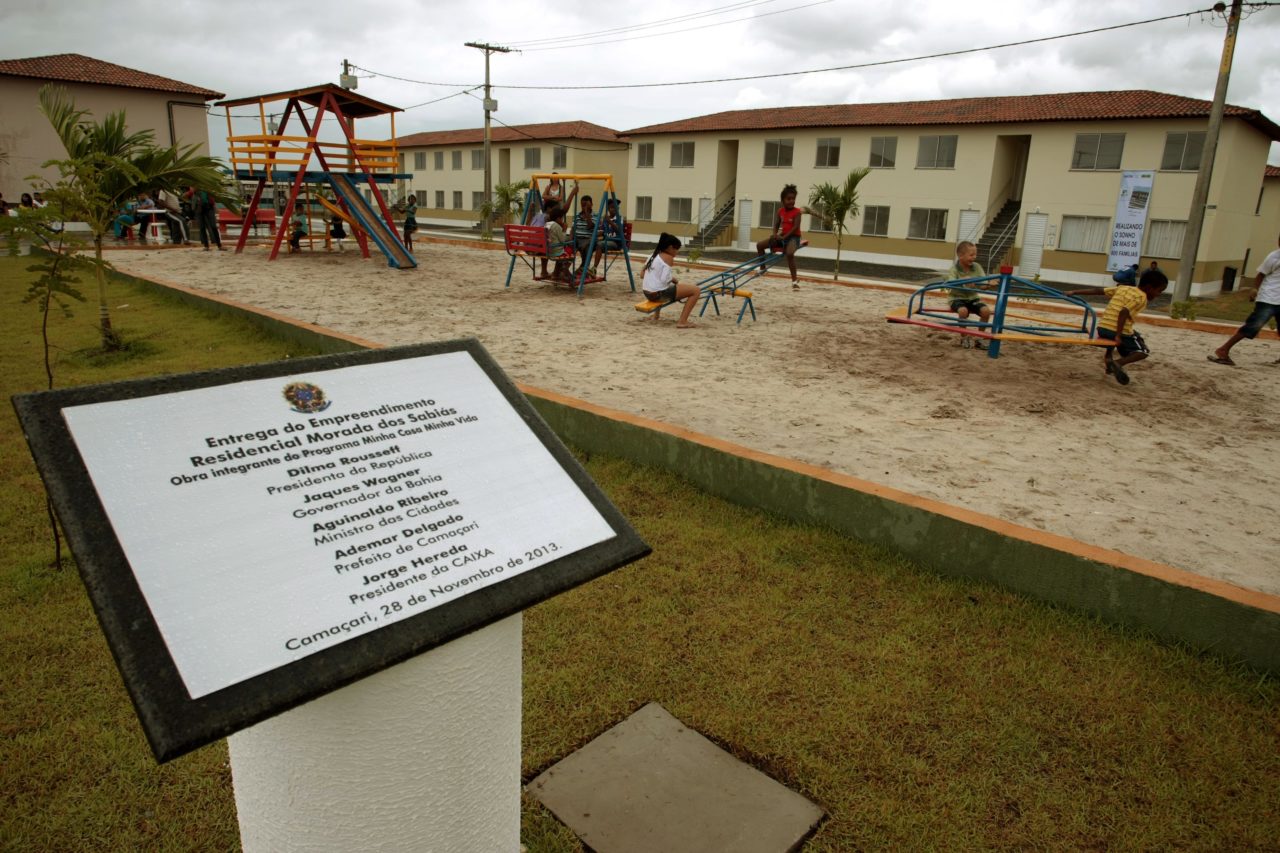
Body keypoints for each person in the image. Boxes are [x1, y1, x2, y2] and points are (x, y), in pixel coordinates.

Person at [1068, 267, 1168, 385]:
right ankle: (1118, 363)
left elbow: (1099, 290)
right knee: (1142, 351)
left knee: (1133, 334)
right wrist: (1118, 336)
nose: (1159, 295)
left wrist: (1074, 291)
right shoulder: (1141, 297)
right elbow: (1124, 312)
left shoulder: (1123, 288)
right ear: (1149, 288)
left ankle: (1109, 357)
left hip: (1102, 329)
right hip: (1117, 332)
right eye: (1159, 291)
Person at [1209, 235, 1280, 366]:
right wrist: (1255, 289)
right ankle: (1223, 350)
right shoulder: (1274, 257)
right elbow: (1261, 274)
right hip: (1269, 298)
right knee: (1253, 326)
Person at [755, 184, 815, 289]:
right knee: (759, 245)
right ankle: (763, 268)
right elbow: (776, 224)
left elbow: (795, 228)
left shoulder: (797, 213)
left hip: (794, 238)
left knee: (789, 253)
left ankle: (794, 281)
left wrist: (783, 237)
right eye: (789, 199)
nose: (791, 201)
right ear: (783, 200)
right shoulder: (780, 211)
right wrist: (774, 235)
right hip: (782, 236)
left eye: (793, 199)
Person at [642, 232, 701, 329]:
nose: (677, 252)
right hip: (658, 295)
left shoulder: (653, 255)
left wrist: (670, 279)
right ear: (670, 247)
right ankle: (682, 321)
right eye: (676, 249)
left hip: (647, 293)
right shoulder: (668, 258)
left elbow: (642, 275)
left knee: (659, 285)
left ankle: (656, 316)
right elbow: (665, 279)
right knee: (696, 290)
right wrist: (672, 279)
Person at [946, 240, 990, 350]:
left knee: (986, 311)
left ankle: (979, 338)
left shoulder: (977, 267)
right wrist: (962, 280)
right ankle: (964, 337)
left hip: (972, 298)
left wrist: (988, 284)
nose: (974, 257)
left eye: (975, 254)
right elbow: (950, 284)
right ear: (960, 256)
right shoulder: (954, 269)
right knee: (963, 311)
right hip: (957, 298)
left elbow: (983, 285)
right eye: (971, 255)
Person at [185, 185, 223, 250]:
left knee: (213, 226)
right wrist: (194, 190)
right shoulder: (195, 186)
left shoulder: (207, 186)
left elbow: (212, 197)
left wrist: (214, 207)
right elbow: (187, 194)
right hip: (198, 208)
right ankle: (206, 246)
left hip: (208, 207)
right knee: (202, 227)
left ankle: (219, 245)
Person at [543, 203, 574, 283]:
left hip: (548, 251)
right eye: (562, 219)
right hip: (556, 252)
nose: (562, 221)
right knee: (571, 250)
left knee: (564, 249)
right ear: (558, 219)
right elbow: (563, 240)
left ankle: (556, 273)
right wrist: (564, 229)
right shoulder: (556, 226)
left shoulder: (547, 224)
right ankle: (564, 269)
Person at [573, 194, 599, 276]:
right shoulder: (577, 215)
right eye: (582, 205)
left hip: (588, 238)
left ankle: (584, 267)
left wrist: (587, 212)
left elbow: (590, 226)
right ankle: (563, 268)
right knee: (567, 243)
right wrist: (571, 237)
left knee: (587, 246)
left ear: (591, 205)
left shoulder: (595, 216)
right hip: (577, 238)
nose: (583, 207)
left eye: (586, 205)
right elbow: (573, 227)